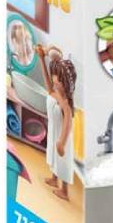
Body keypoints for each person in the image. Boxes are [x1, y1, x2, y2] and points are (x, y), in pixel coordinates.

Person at [36, 45, 76, 201]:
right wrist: (41, 59)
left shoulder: (65, 102)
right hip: (54, 132)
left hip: (62, 138)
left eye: (56, 79)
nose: (53, 80)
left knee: (63, 161)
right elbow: (48, 85)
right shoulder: (55, 93)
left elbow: (68, 121)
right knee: (53, 156)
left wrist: (62, 142)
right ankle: (54, 178)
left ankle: (65, 191)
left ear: (64, 82)